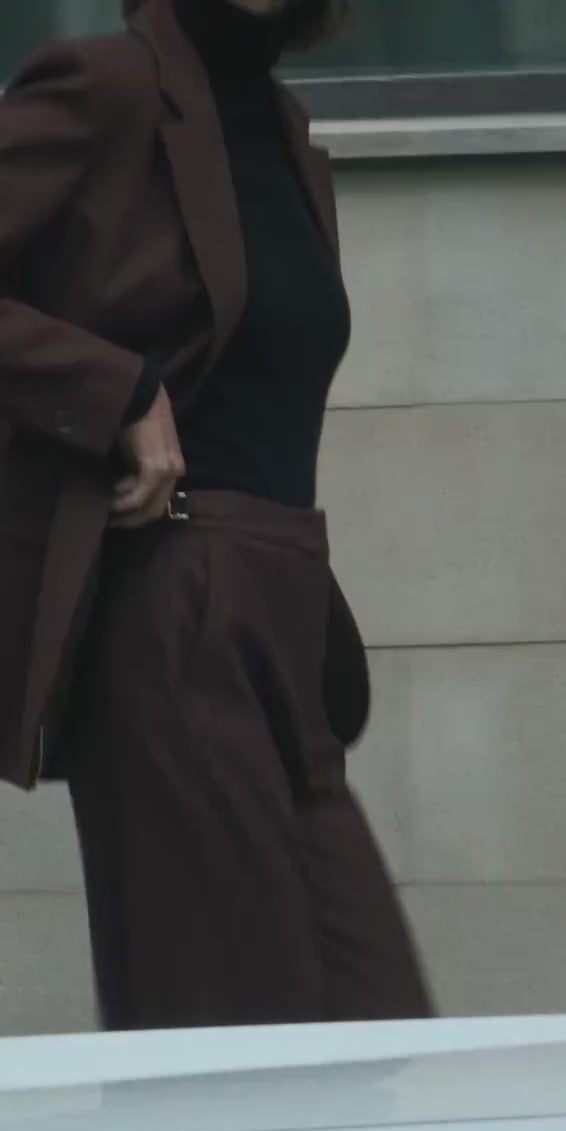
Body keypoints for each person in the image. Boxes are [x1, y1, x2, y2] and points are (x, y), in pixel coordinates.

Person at [0, 0, 432, 1030]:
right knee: (232, 1028)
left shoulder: (279, 127)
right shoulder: (105, 89)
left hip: (284, 612)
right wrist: (116, 389)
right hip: (172, 604)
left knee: (375, 1031)